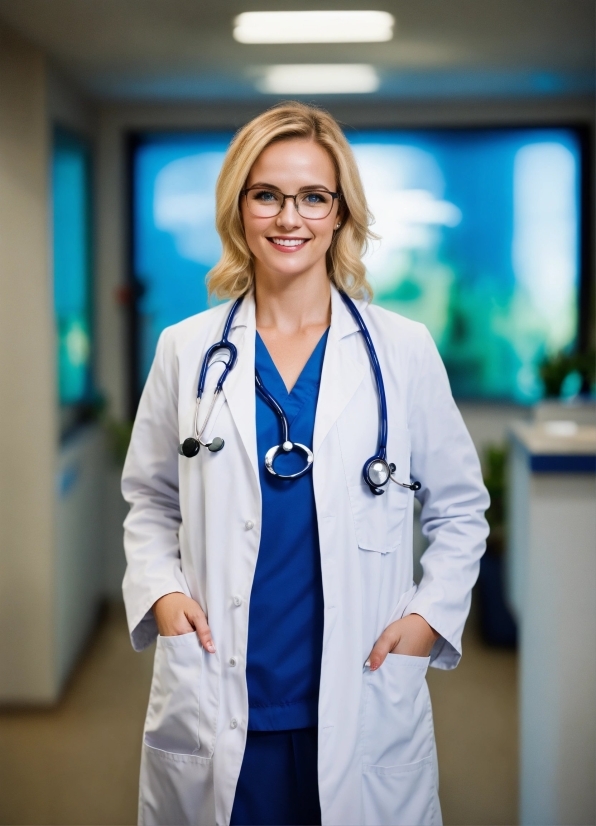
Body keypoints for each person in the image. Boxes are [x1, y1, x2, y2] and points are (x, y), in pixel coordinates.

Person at [122, 101, 489, 826]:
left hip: (361, 693)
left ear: (340, 212)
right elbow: (151, 501)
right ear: (240, 208)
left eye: (313, 196)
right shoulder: (186, 350)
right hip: (221, 690)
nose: (290, 218)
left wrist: (425, 618)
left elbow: (460, 510)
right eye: (267, 194)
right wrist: (162, 597)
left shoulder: (402, 350)